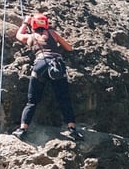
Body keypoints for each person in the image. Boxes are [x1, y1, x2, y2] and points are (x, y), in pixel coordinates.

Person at [13, 13, 83, 141]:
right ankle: (72, 129)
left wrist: (25, 23)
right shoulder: (52, 33)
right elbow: (69, 48)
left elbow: (18, 36)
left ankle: (22, 129)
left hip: (40, 64)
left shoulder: (30, 37)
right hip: (57, 64)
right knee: (64, 99)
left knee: (32, 101)